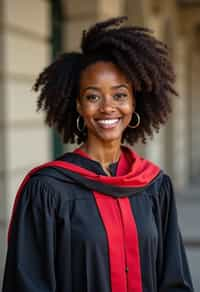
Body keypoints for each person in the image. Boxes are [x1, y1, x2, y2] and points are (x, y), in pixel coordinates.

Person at [3, 16, 194, 292]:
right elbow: (28, 284)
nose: (108, 107)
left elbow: (174, 279)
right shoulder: (48, 189)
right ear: (78, 105)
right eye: (93, 96)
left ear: (134, 102)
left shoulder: (153, 185)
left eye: (119, 95)